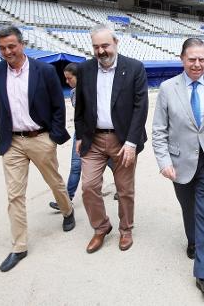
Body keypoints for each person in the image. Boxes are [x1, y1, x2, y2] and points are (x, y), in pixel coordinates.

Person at [0, 26, 75, 272]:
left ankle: (67, 211)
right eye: (2, 48)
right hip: (12, 142)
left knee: (54, 182)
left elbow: (59, 106)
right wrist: (4, 134)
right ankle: (19, 246)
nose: (7, 52)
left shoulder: (45, 71)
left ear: (22, 44)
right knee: (14, 195)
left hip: (40, 138)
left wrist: (53, 138)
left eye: (11, 46)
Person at [152, 38, 204, 298]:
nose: (197, 64)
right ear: (182, 59)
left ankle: (203, 273)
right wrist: (164, 162)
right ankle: (193, 240)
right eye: (192, 59)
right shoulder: (167, 88)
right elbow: (159, 130)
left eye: (201, 59)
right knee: (189, 208)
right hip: (179, 164)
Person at [74, 24, 149, 253]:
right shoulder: (85, 69)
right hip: (93, 140)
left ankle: (126, 229)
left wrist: (131, 142)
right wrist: (79, 136)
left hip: (123, 140)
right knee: (88, 186)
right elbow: (81, 106)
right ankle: (101, 227)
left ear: (116, 43)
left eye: (105, 45)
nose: (100, 51)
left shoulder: (134, 68)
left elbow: (140, 107)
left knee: (124, 189)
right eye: (96, 46)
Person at [48, 63, 117, 211]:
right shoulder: (73, 93)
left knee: (112, 164)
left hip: (99, 134)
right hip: (81, 134)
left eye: (69, 78)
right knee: (76, 166)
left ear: (79, 77)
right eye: (65, 79)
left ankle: (121, 188)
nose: (67, 82)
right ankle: (66, 200)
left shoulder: (97, 89)